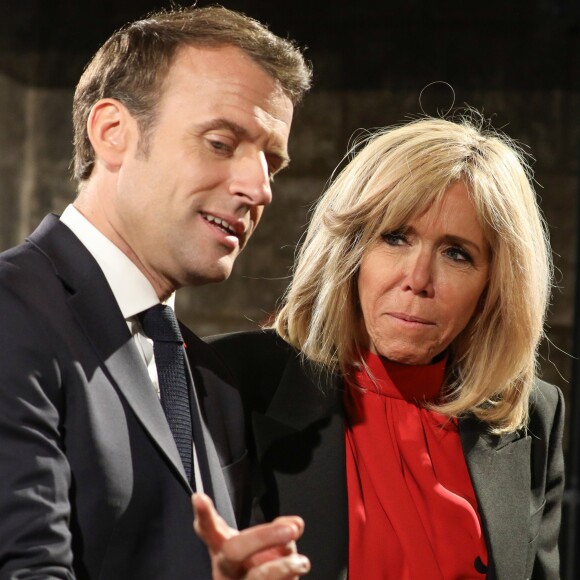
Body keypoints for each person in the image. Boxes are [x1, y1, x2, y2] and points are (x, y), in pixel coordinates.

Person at [0, 5, 313, 579]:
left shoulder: (208, 376)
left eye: (272, 161)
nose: (259, 188)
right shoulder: (11, 311)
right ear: (113, 133)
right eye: (221, 143)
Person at [201, 115, 566, 579]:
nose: (417, 280)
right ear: (350, 251)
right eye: (395, 237)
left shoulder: (534, 414)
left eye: (457, 253)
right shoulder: (227, 378)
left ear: (494, 286)